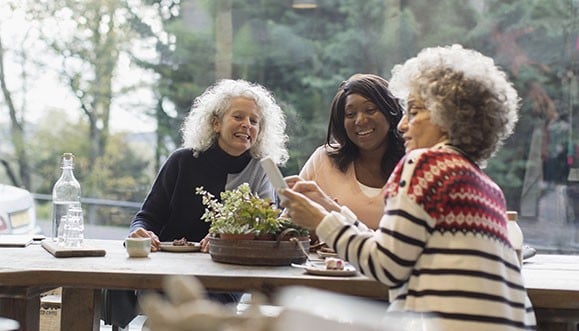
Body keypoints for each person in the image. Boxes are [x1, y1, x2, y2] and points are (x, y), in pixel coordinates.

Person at [280, 45, 536, 330]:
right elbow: (395, 247)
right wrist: (331, 210)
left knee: (297, 310)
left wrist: (319, 220)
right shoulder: (485, 185)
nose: (402, 125)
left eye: (413, 111)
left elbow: (386, 265)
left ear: (447, 115)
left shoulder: (426, 164)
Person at [102, 78, 289, 328]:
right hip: (166, 274)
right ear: (215, 123)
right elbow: (147, 216)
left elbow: (267, 228)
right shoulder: (181, 161)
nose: (247, 125)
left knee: (200, 315)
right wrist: (139, 232)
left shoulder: (262, 170)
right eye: (238, 117)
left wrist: (226, 240)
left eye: (254, 121)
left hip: (224, 280)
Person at [289, 74, 405, 230]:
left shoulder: (415, 165)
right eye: (350, 114)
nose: (360, 120)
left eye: (370, 110)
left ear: (390, 112)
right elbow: (289, 224)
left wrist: (331, 213)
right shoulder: (324, 160)